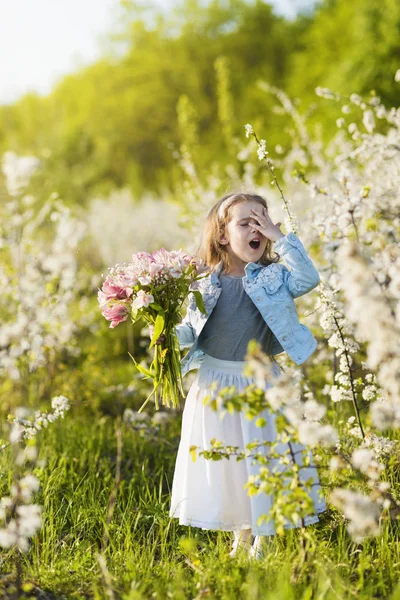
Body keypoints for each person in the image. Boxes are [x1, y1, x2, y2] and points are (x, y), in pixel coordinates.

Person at [168, 192, 327, 559]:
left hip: (260, 382)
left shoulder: (274, 277)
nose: (258, 229)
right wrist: (161, 330)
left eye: (263, 221)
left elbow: (309, 277)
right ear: (222, 235)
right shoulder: (205, 284)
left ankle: (265, 539)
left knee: (262, 459)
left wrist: (281, 236)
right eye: (247, 223)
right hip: (215, 383)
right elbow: (191, 331)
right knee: (231, 462)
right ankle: (241, 536)